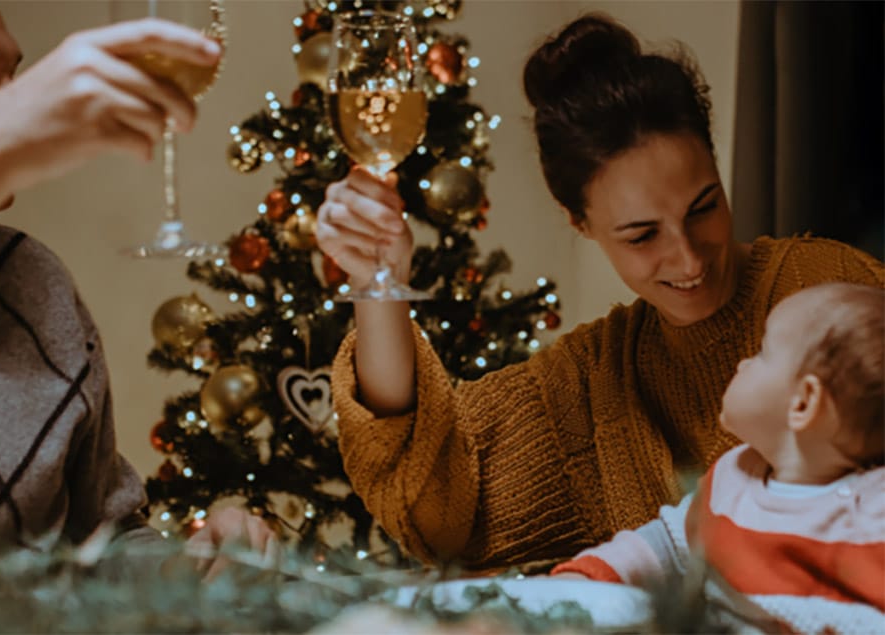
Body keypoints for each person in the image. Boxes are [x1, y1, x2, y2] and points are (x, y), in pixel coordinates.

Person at [315, 12, 884, 572]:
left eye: (704, 207)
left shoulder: (826, 291)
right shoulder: (591, 389)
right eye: (641, 235)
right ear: (579, 222)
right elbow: (433, 500)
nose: (688, 258)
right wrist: (376, 286)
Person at [0, 0, 275, 566]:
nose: (10, 93)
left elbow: (102, 541)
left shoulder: (31, 282)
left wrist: (189, 568)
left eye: (12, 76)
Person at [551, 282, 885, 632]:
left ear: (803, 403)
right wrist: (583, 578)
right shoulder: (732, 478)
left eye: (762, 352)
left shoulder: (873, 509)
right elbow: (664, 546)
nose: (742, 363)